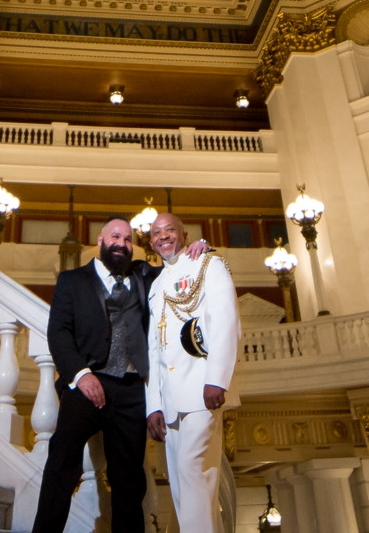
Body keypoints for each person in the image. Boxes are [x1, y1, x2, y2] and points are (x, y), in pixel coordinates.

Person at [33, 218, 208, 533]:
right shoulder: (72, 280)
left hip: (130, 391)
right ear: (100, 240)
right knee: (62, 465)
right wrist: (81, 375)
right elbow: (58, 332)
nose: (122, 244)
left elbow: (179, 269)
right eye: (116, 236)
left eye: (128, 239)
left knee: (129, 480)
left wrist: (199, 248)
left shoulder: (143, 274)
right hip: (86, 383)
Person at [145, 213, 240, 533]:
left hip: (202, 388)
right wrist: (153, 405)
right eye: (156, 233)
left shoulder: (208, 264)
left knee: (192, 469)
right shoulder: (156, 284)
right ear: (150, 242)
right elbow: (154, 349)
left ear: (184, 234)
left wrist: (217, 379)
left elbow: (225, 319)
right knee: (185, 484)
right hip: (170, 400)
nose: (162, 236)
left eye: (169, 229)